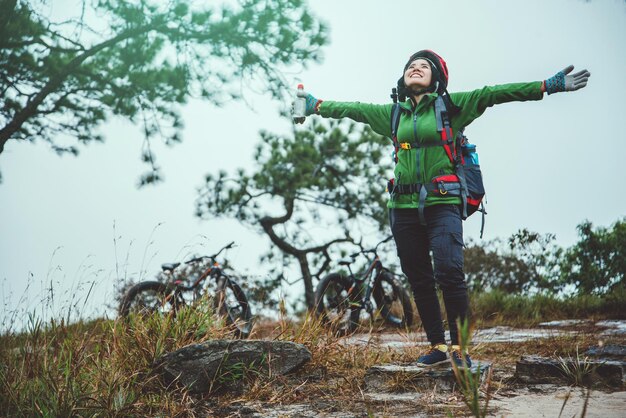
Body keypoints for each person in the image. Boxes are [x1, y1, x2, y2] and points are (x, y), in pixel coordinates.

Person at [299, 50, 590, 367]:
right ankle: (438, 346)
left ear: (437, 78)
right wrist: (315, 105)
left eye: (424, 66)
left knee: (450, 272)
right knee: (419, 278)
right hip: (403, 207)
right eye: (411, 65)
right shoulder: (393, 114)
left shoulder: (451, 107)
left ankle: (460, 349)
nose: (416, 68)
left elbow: (492, 94)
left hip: (443, 202)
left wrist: (546, 86)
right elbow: (352, 109)